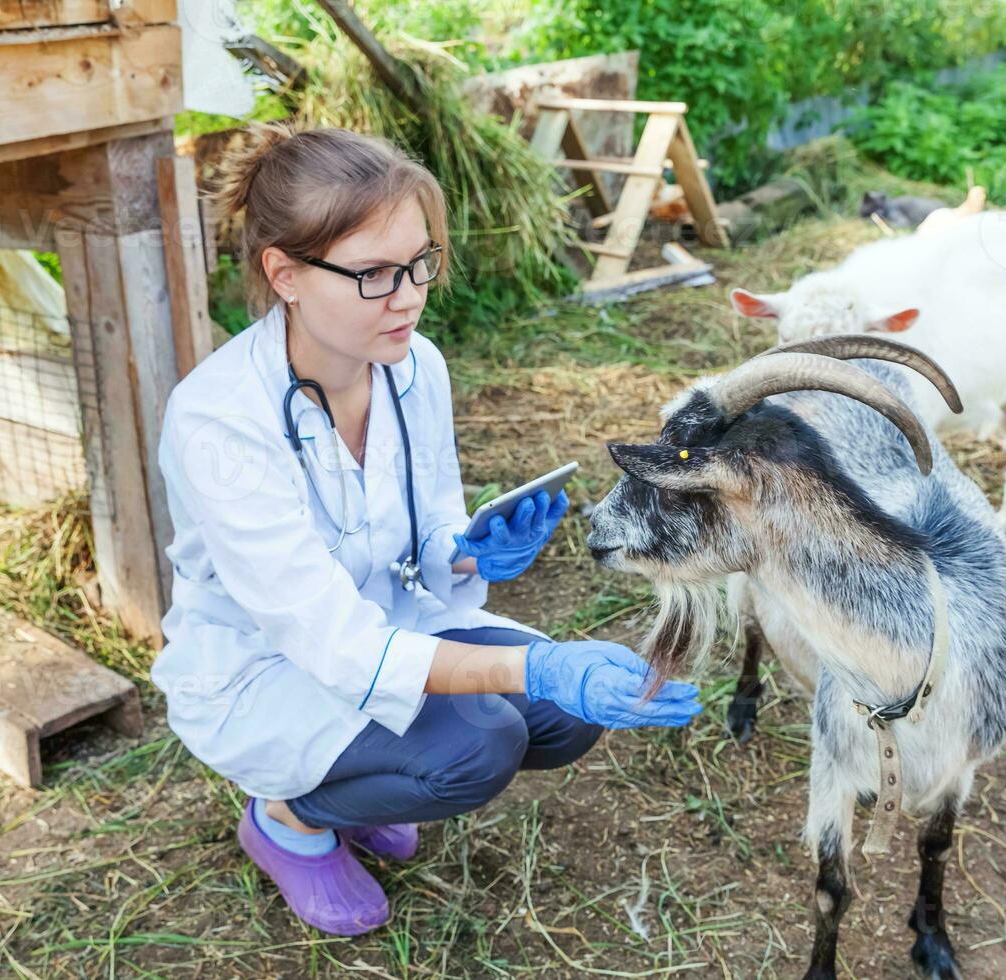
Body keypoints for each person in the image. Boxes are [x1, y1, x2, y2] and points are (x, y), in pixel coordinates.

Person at [151, 123, 701, 936]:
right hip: (269, 669)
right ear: (286, 274)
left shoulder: (415, 367)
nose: (409, 296)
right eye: (373, 274)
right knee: (474, 749)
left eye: (419, 264)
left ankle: (363, 784)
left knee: (565, 717)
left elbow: (428, 521)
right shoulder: (218, 423)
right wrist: (538, 663)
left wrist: (467, 548)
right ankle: (291, 819)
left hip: (392, 624)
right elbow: (333, 644)